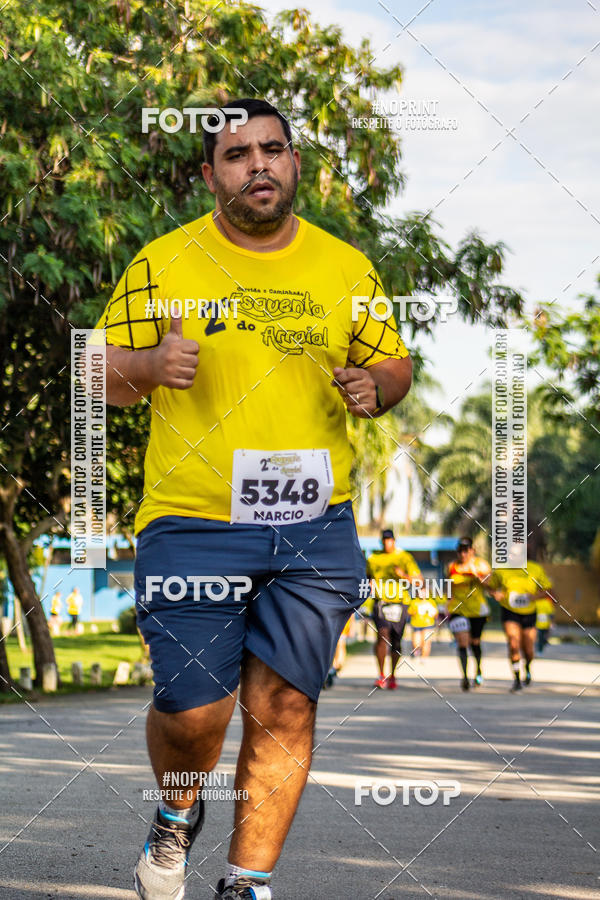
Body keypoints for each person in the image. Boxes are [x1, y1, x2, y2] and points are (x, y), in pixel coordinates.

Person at [96, 98, 412, 900]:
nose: (259, 165)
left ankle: (246, 883)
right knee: (194, 711)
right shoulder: (163, 262)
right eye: (238, 155)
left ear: (295, 163)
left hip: (313, 520)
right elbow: (98, 375)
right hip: (194, 519)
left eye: (274, 149)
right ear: (210, 175)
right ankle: (175, 814)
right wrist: (147, 366)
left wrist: (376, 384)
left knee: (285, 706)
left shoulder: (344, 267)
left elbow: (394, 363)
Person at [489, 547, 556, 692]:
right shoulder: (501, 569)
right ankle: (517, 678)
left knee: (528, 649)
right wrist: (496, 594)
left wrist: (535, 596)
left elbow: (548, 590)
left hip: (529, 612)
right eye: (512, 554)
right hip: (509, 611)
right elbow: (491, 587)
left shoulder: (535, 569)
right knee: (513, 643)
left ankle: (527, 667)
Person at [366, 529, 423, 689]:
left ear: (394, 541)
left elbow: (418, 580)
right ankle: (381, 675)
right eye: (384, 540)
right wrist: (368, 584)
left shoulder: (404, 557)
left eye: (389, 539)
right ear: (381, 541)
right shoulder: (373, 558)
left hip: (400, 603)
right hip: (381, 602)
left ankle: (393, 675)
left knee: (396, 641)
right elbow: (366, 577)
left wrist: (403, 575)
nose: (387, 542)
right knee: (382, 636)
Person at [446, 537, 492, 691]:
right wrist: (447, 603)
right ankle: (465, 676)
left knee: (475, 643)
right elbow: (449, 586)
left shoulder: (481, 564)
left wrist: (475, 574)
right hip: (458, 609)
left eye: (466, 550)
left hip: (477, 611)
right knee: (462, 642)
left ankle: (478, 670)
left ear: (472, 550)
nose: (463, 554)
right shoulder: (452, 566)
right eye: (460, 551)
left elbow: (490, 583)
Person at [407, 595, 437, 662]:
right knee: (417, 642)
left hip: (428, 624)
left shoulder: (431, 601)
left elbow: (435, 613)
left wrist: (432, 613)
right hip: (416, 624)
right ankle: (417, 650)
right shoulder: (414, 602)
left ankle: (424, 657)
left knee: (426, 641)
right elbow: (409, 612)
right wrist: (415, 612)